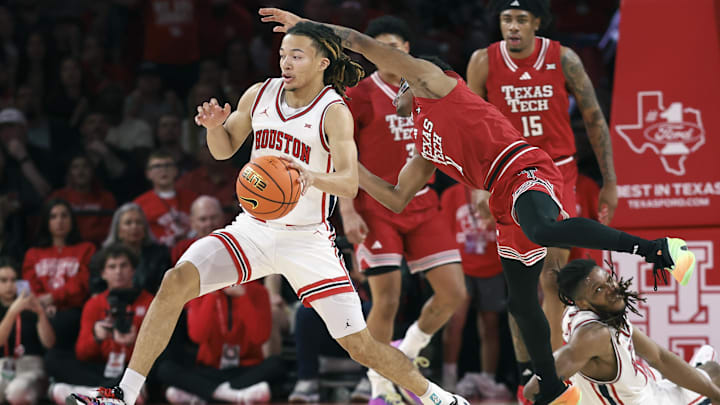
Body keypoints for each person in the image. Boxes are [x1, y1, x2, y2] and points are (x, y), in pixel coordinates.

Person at [257, 8, 697, 405]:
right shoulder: (424, 143)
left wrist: (305, 27)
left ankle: (659, 248)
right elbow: (394, 196)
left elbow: (359, 43)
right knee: (522, 303)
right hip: (502, 197)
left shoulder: (437, 82)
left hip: (524, 167)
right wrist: (345, 170)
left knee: (543, 230)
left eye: (400, 84)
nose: (394, 92)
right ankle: (554, 388)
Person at [68, 20, 469, 405]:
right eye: (282, 55)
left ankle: (439, 397)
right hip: (253, 229)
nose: (286, 63)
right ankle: (123, 394)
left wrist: (311, 177)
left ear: (322, 63)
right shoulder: (259, 94)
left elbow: (348, 182)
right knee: (175, 282)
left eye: (297, 56)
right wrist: (214, 127)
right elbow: (225, 150)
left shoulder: (334, 110)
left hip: (307, 239)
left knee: (361, 346)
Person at [465, 1, 618, 397]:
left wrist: (609, 181)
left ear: (536, 23)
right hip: (504, 173)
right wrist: (475, 188)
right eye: (505, 19)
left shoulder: (563, 58)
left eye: (520, 20)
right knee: (520, 285)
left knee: (552, 278)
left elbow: (594, 117)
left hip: (555, 171)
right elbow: (467, 126)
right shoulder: (483, 61)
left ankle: (551, 371)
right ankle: (525, 374)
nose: (512, 27)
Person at [340, 16, 465, 404]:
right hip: (374, 203)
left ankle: (406, 353)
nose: (387, 53)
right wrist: (347, 212)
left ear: (407, 50)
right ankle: (380, 387)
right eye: (378, 46)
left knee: (453, 293)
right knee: (387, 299)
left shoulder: (430, 89)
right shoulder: (358, 94)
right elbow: (340, 156)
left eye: (393, 45)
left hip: (422, 200)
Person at [524, 259, 720, 404]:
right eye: (599, 290)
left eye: (609, 280)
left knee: (705, 360)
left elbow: (659, 357)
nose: (612, 289)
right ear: (583, 303)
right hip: (647, 401)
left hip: (639, 386)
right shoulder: (594, 335)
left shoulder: (594, 312)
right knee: (713, 372)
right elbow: (532, 389)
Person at [47, 244, 154, 405]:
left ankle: (89, 395)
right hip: (101, 368)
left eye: (123, 265)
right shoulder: (94, 304)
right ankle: (110, 394)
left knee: (157, 370)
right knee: (53, 358)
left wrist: (134, 343)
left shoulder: (149, 302)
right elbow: (82, 353)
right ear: (103, 274)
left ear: (133, 270)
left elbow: (158, 352)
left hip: (132, 369)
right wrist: (96, 338)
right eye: (112, 266)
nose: (118, 271)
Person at [157, 282, 284, 405]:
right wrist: (211, 295)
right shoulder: (200, 292)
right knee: (165, 368)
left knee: (277, 364)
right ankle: (234, 395)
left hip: (245, 370)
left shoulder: (259, 291)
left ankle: (207, 394)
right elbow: (197, 336)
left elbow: (259, 337)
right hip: (211, 369)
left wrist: (242, 297)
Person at [439, 185, 510, 400]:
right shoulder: (451, 194)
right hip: (460, 265)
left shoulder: (500, 188)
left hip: (493, 266)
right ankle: (448, 378)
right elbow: (442, 232)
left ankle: (487, 378)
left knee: (490, 326)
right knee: (454, 322)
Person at [22, 198, 95, 349]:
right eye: (53, 216)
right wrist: (42, 304)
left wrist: (54, 298)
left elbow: (82, 283)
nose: (59, 221)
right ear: (46, 222)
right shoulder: (33, 253)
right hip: (39, 308)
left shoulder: (86, 249)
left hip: (72, 310)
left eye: (64, 216)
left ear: (72, 220)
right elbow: (29, 283)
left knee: (62, 322)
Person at [0, 256, 55, 405]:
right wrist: (12, 312)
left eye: (14, 280)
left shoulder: (31, 307)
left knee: (18, 392)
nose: (10, 285)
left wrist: (41, 313)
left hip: (31, 366)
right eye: (4, 280)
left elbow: (49, 343)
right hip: (2, 365)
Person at [92, 203, 171, 295]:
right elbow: (96, 291)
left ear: (145, 228)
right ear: (118, 229)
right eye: (128, 223)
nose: (134, 227)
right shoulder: (102, 257)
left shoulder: (160, 254)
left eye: (139, 222)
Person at [134, 150, 199, 248]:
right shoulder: (139, 204)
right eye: (157, 166)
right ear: (148, 174)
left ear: (176, 170)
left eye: (168, 165)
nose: (163, 170)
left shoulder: (194, 199)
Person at [49, 154, 117, 247]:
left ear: (92, 171)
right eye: (75, 167)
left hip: (98, 249)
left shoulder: (106, 197)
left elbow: (109, 230)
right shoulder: (58, 196)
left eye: (85, 166)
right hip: (66, 246)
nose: (80, 171)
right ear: (69, 173)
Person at [170, 195, 226, 264]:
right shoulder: (182, 249)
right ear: (192, 222)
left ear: (223, 218)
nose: (209, 223)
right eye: (203, 219)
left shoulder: (235, 245)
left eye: (213, 217)